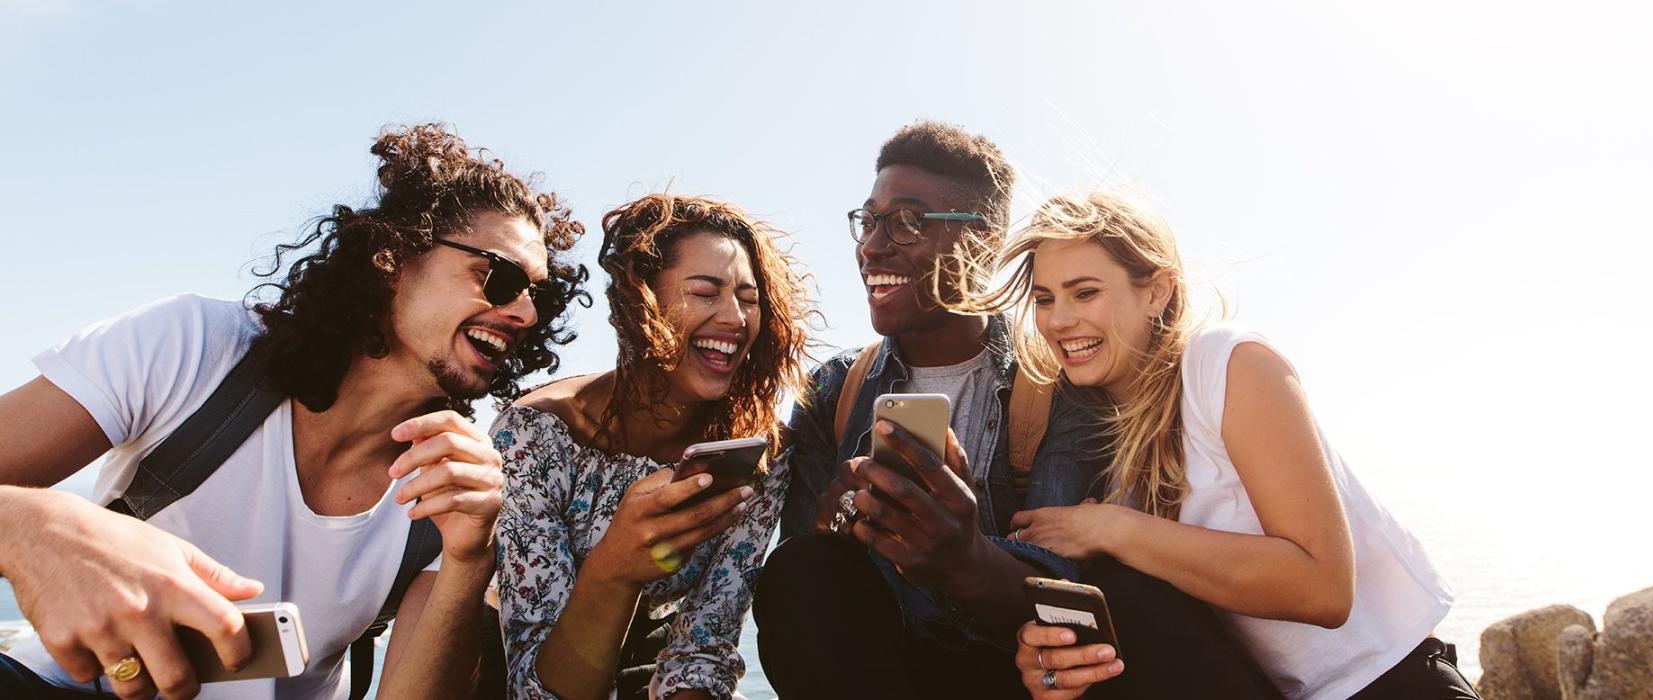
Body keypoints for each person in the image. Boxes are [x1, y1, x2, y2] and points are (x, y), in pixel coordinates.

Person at [0, 123, 587, 700]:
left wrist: (468, 559)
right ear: (394, 257)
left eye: (543, 294)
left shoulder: (452, 487)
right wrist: (41, 525)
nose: (527, 314)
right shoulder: (193, 347)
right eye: (500, 277)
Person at [753, 121, 1276, 699]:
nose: (873, 246)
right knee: (799, 571)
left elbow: (1065, 585)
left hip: (1022, 669)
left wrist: (963, 556)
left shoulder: (1059, 381)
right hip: (888, 668)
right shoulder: (834, 390)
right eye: (870, 220)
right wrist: (837, 525)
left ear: (983, 239)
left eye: (906, 221)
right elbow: (805, 584)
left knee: (1128, 598)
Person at [981, 192, 1477, 699]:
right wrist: (1057, 662)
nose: (1059, 320)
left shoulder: (1227, 363)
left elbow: (1324, 589)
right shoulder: (1091, 439)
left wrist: (1113, 527)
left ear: (1157, 291)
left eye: (1084, 293)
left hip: (1391, 682)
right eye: (1044, 300)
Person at [492, 193, 814, 700]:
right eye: (706, 292)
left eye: (750, 299)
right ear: (640, 302)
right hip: (510, 663)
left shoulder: (759, 452)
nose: (735, 318)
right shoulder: (536, 434)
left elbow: (703, 646)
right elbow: (535, 690)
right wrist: (615, 567)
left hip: (645, 658)